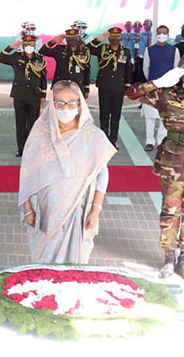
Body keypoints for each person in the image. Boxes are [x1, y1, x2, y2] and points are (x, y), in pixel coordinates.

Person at [126, 52, 184, 280]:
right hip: (172, 162)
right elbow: (131, 93)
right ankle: (169, 258)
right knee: (170, 211)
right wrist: (158, 82)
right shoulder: (166, 96)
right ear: (179, 73)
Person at [20, 80, 116, 264]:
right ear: (52, 104)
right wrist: (27, 210)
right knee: (45, 261)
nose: (66, 108)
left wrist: (95, 210)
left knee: (75, 262)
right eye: (60, 103)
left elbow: (102, 174)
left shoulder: (92, 135)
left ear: (80, 104)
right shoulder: (40, 132)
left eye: (72, 103)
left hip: (77, 211)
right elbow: (27, 173)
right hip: (46, 210)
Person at [0, 35, 47, 157]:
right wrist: (10, 47)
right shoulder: (16, 57)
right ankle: (21, 148)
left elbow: (43, 78)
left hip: (34, 95)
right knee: (20, 123)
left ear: (35, 46)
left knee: (33, 123)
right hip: (19, 95)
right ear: (23, 46)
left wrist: (43, 94)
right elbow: (1, 58)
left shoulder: (40, 59)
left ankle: (32, 147)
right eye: (26, 45)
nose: (29, 47)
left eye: (31, 45)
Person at [88, 28, 133, 149]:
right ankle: (103, 139)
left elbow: (128, 70)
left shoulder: (126, 51)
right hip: (105, 86)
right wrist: (98, 39)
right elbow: (87, 48)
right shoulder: (102, 49)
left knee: (116, 115)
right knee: (104, 114)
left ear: (120, 38)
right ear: (109, 38)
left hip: (119, 87)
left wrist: (128, 87)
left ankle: (113, 140)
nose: (114, 39)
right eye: (112, 37)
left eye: (117, 37)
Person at [142, 25, 179, 151]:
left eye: (164, 33)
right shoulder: (149, 50)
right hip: (152, 87)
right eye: (159, 33)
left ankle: (161, 141)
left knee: (165, 115)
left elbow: (176, 69)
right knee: (150, 116)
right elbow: (145, 68)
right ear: (156, 34)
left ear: (168, 35)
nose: (162, 35)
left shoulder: (174, 50)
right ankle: (149, 141)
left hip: (168, 88)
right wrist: (152, 83)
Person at [40, 29, 91, 98]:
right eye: (70, 38)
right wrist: (53, 41)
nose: (72, 39)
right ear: (66, 39)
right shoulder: (60, 49)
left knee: (76, 107)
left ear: (78, 38)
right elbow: (43, 51)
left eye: (74, 37)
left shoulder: (84, 51)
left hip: (78, 85)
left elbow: (87, 71)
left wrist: (87, 88)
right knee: (60, 106)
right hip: (61, 85)